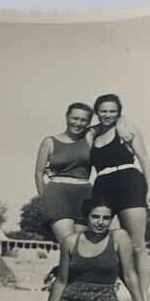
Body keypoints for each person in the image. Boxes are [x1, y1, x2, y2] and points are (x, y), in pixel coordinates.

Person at [87, 92, 150, 301]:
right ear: (97, 112)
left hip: (129, 182)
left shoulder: (127, 127)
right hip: (102, 186)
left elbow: (144, 158)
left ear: (119, 112)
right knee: (112, 247)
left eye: (113, 111)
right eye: (103, 111)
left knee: (137, 246)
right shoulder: (92, 133)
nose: (108, 115)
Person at [34, 103, 93, 242]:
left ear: (89, 122)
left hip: (85, 195)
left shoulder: (90, 139)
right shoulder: (50, 142)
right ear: (67, 117)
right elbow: (38, 174)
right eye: (75, 118)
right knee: (68, 243)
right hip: (58, 194)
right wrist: (46, 199)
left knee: (81, 246)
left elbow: (110, 122)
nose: (78, 123)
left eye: (83, 120)